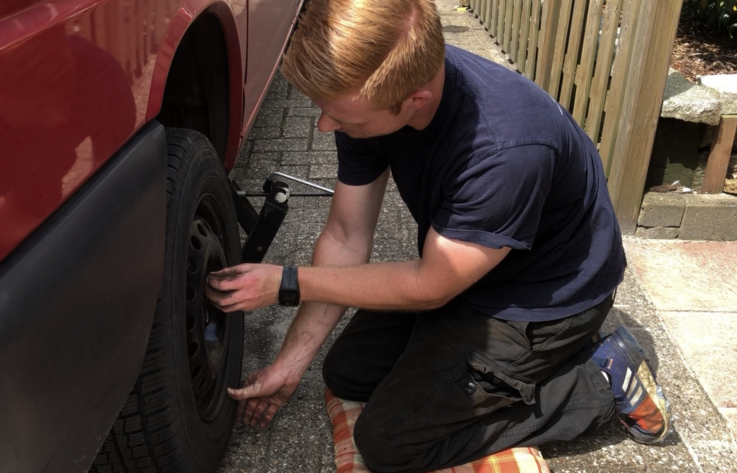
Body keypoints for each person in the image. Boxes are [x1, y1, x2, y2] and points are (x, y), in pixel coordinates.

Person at [205, 0, 672, 471]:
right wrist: (289, 363)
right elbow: (347, 235)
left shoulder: (504, 150)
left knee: (391, 443)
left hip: (543, 303)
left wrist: (287, 282)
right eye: (324, 111)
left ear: (415, 100)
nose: (327, 125)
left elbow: (430, 287)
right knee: (348, 373)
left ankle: (601, 381)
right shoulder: (374, 88)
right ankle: (461, 361)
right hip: (468, 268)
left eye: (341, 117)